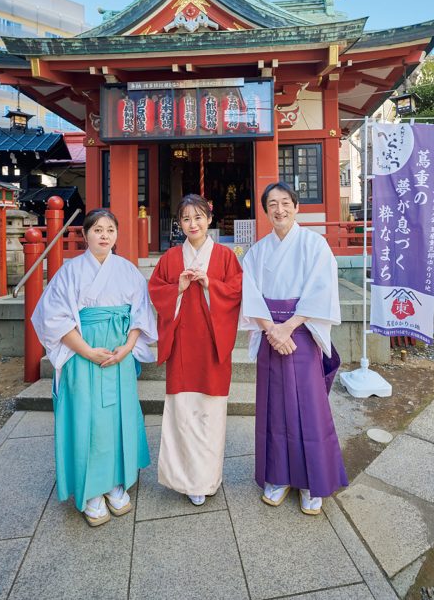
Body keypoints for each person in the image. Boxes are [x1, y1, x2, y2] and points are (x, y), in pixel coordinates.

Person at [32, 209, 157, 527]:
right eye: (97, 229)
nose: (104, 235)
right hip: (82, 354)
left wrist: (128, 347)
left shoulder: (127, 271)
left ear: (117, 235)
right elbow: (53, 317)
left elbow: (141, 314)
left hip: (119, 354)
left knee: (119, 417)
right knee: (88, 420)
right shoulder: (70, 271)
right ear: (85, 234)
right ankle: (90, 491)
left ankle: (117, 481)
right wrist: (87, 351)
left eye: (110, 229)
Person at [241, 182, 347, 515]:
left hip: (300, 333)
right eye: (272, 204)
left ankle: (309, 482)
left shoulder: (315, 245)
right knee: (273, 408)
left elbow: (322, 289)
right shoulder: (257, 251)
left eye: (285, 202)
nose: (279, 209)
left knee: (308, 408)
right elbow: (251, 296)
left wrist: (288, 326)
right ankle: (278, 477)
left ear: (297, 206)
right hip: (270, 333)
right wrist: (271, 328)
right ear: (265, 210)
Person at [148, 194, 242, 506]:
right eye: (186, 219)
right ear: (179, 224)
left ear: (209, 220)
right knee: (182, 413)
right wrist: (179, 287)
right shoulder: (170, 259)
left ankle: (206, 478)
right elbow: (156, 290)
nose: (193, 224)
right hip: (182, 348)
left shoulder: (226, 257)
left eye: (198, 217)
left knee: (210, 415)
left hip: (213, 348)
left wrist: (209, 284)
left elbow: (235, 291)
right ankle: (183, 479)